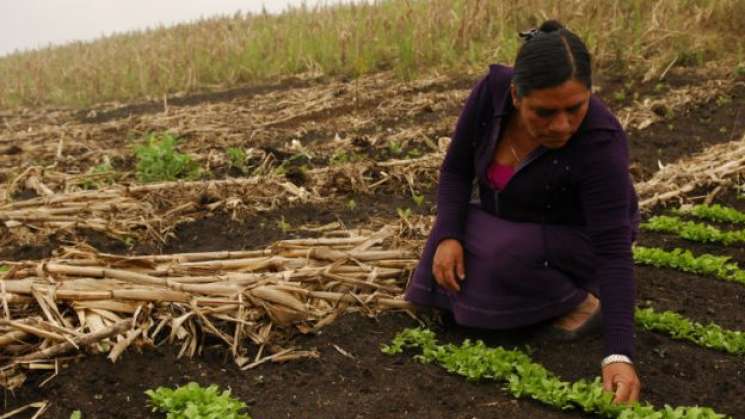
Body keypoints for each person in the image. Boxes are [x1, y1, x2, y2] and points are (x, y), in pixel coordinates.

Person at [404, 20, 642, 404]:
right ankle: (512, 291)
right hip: (513, 219)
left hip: (579, 239)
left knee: (501, 256)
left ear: (589, 95)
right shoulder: (491, 93)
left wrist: (619, 354)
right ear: (516, 95)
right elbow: (456, 171)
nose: (562, 125)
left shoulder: (600, 141)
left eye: (575, 108)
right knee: (443, 249)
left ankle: (583, 300)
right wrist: (449, 235)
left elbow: (614, 250)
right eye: (545, 112)